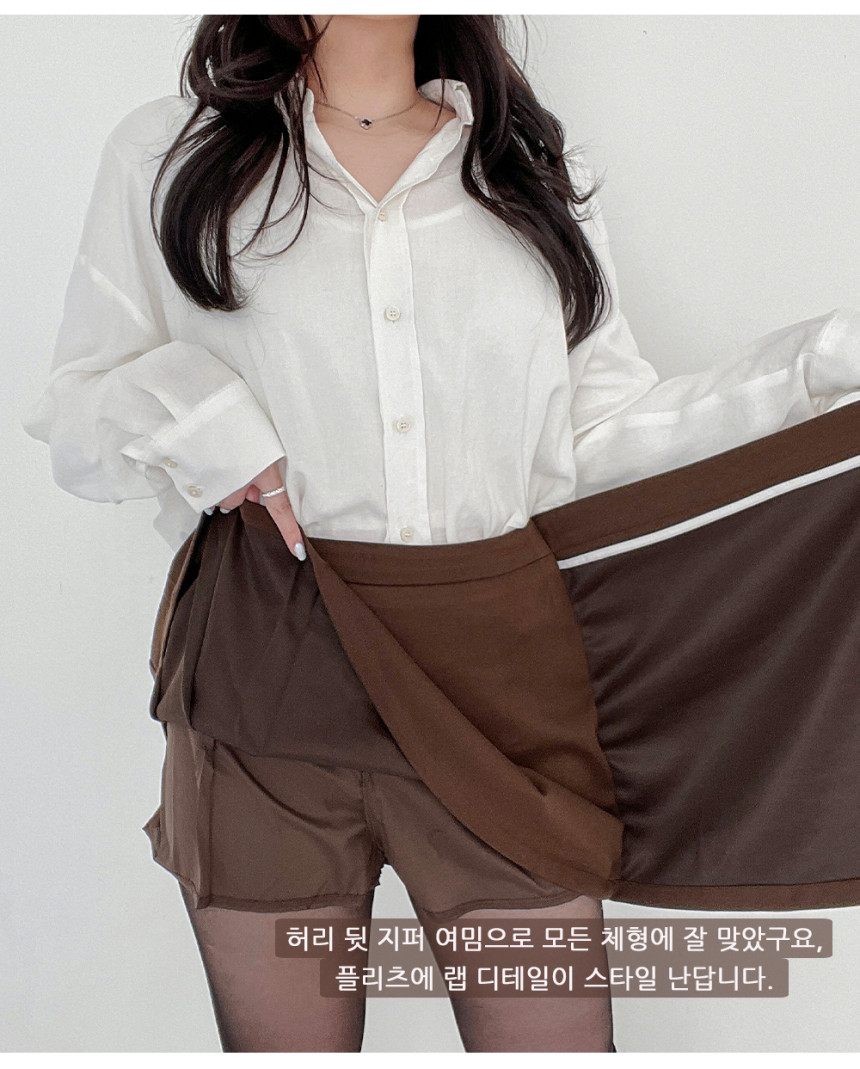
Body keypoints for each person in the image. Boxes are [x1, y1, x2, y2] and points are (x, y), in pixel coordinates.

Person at [20, 13, 859, 1054]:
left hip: (501, 696)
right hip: (268, 680)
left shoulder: (526, 165)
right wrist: (202, 415)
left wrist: (822, 364)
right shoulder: (170, 153)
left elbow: (594, 435)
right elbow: (79, 419)